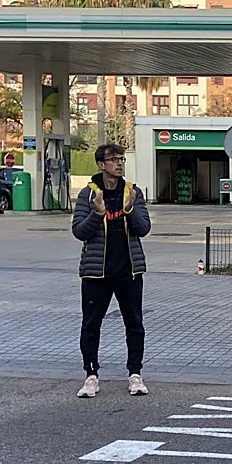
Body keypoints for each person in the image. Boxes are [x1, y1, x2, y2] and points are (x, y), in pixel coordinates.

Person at [71, 143, 152, 399]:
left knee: (134, 324)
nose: (119, 163)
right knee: (91, 325)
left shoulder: (133, 192)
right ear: (101, 165)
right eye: (114, 160)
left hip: (128, 271)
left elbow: (144, 228)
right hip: (96, 273)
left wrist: (129, 211)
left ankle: (135, 374)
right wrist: (96, 214)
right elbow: (79, 231)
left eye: (122, 159)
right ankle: (91, 376)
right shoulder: (88, 195)